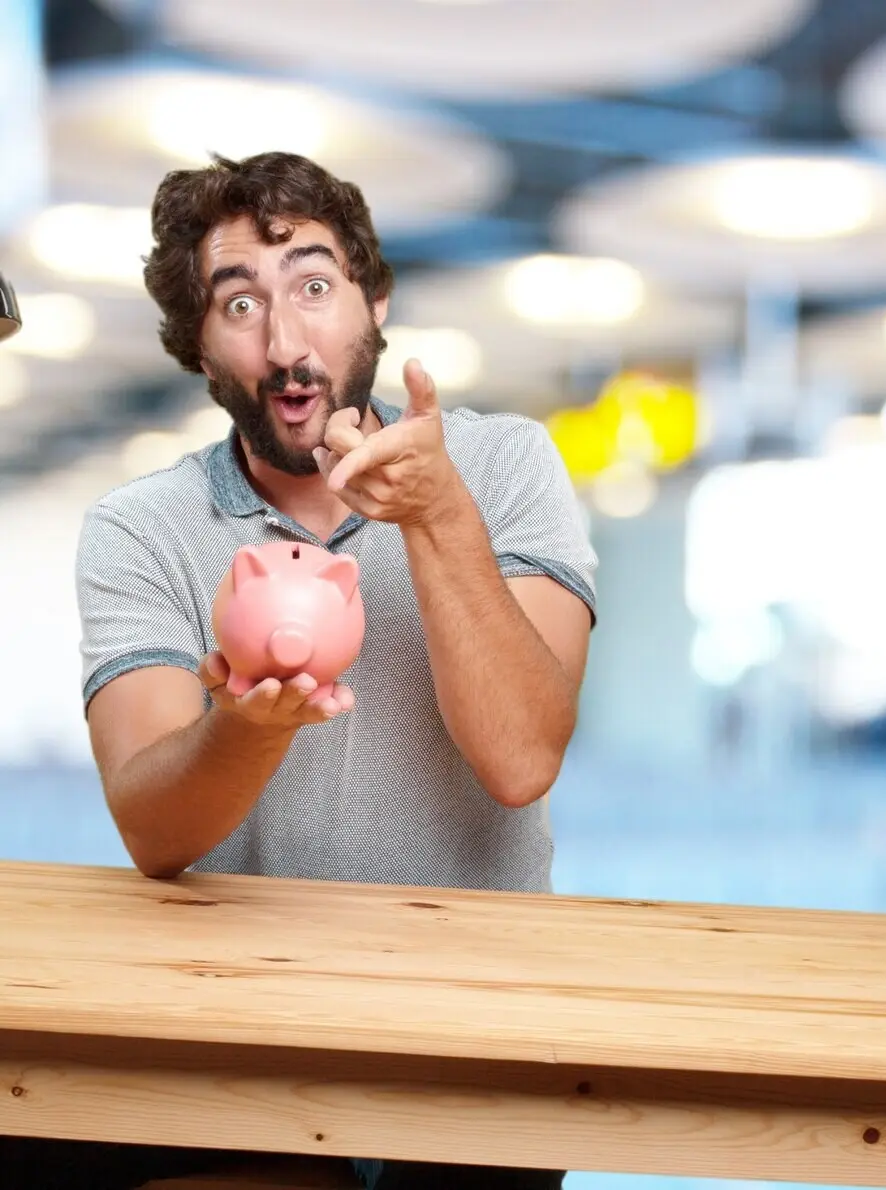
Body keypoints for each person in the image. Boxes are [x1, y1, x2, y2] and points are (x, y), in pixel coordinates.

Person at [0, 152, 596, 1189]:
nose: (285, 343)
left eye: (315, 287)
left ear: (374, 301)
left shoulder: (503, 468)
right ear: (199, 349)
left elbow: (521, 757)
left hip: (482, 1031)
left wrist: (438, 516)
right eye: (239, 304)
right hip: (235, 1027)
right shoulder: (141, 529)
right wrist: (249, 722)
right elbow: (152, 825)